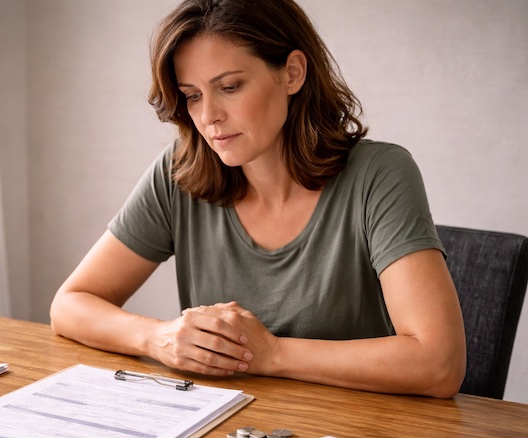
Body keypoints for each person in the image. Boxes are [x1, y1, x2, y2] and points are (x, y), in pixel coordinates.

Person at [49, 0, 466, 398]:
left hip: (360, 432)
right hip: (227, 428)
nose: (209, 116)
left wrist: (272, 354)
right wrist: (158, 337)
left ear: (293, 73)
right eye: (192, 95)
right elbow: (69, 306)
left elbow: (439, 363)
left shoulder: (380, 174)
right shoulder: (179, 172)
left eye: (229, 87)